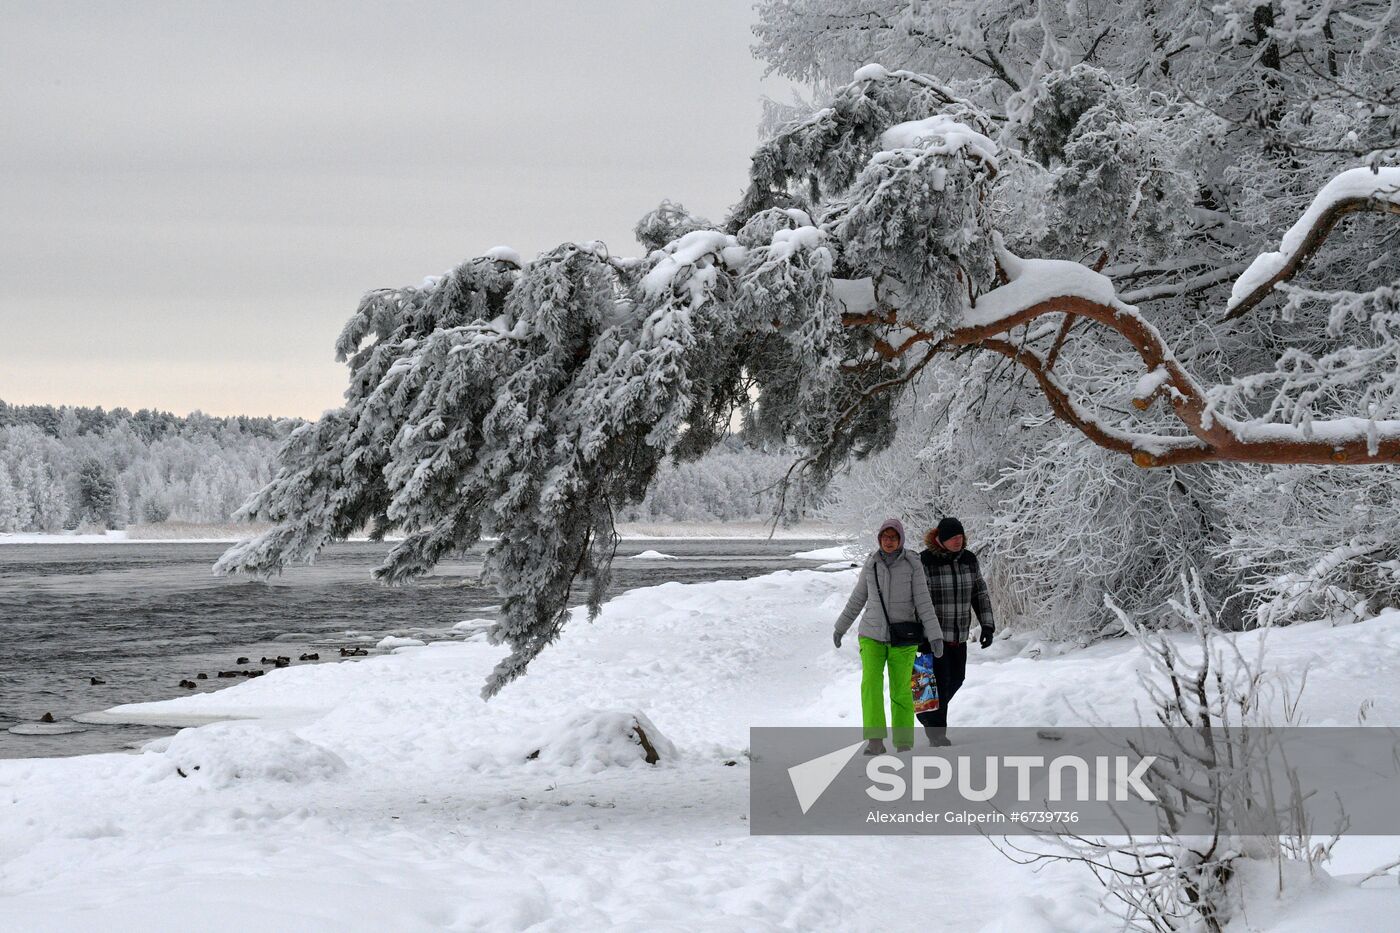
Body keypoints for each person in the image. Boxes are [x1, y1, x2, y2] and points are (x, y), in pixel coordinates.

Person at [833, 518, 943, 755]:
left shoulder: (913, 564)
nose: (889, 541)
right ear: (879, 539)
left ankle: (903, 742)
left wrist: (935, 635)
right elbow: (857, 598)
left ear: (900, 539)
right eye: (885, 537)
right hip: (871, 635)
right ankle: (875, 741)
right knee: (870, 685)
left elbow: (924, 602)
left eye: (893, 537)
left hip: (904, 638)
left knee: (901, 689)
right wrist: (840, 627)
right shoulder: (871, 564)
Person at [918, 516, 995, 746]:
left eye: (960, 537)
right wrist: (920, 632)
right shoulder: (925, 561)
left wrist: (987, 625)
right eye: (953, 538)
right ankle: (937, 734)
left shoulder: (969, 560)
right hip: (933, 636)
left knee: (957, 679)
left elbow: (979, 592)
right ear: (941, 539)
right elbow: (919, 599)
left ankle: (925, 712)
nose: (957, 541)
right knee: (938, 682)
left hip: (959, 634)